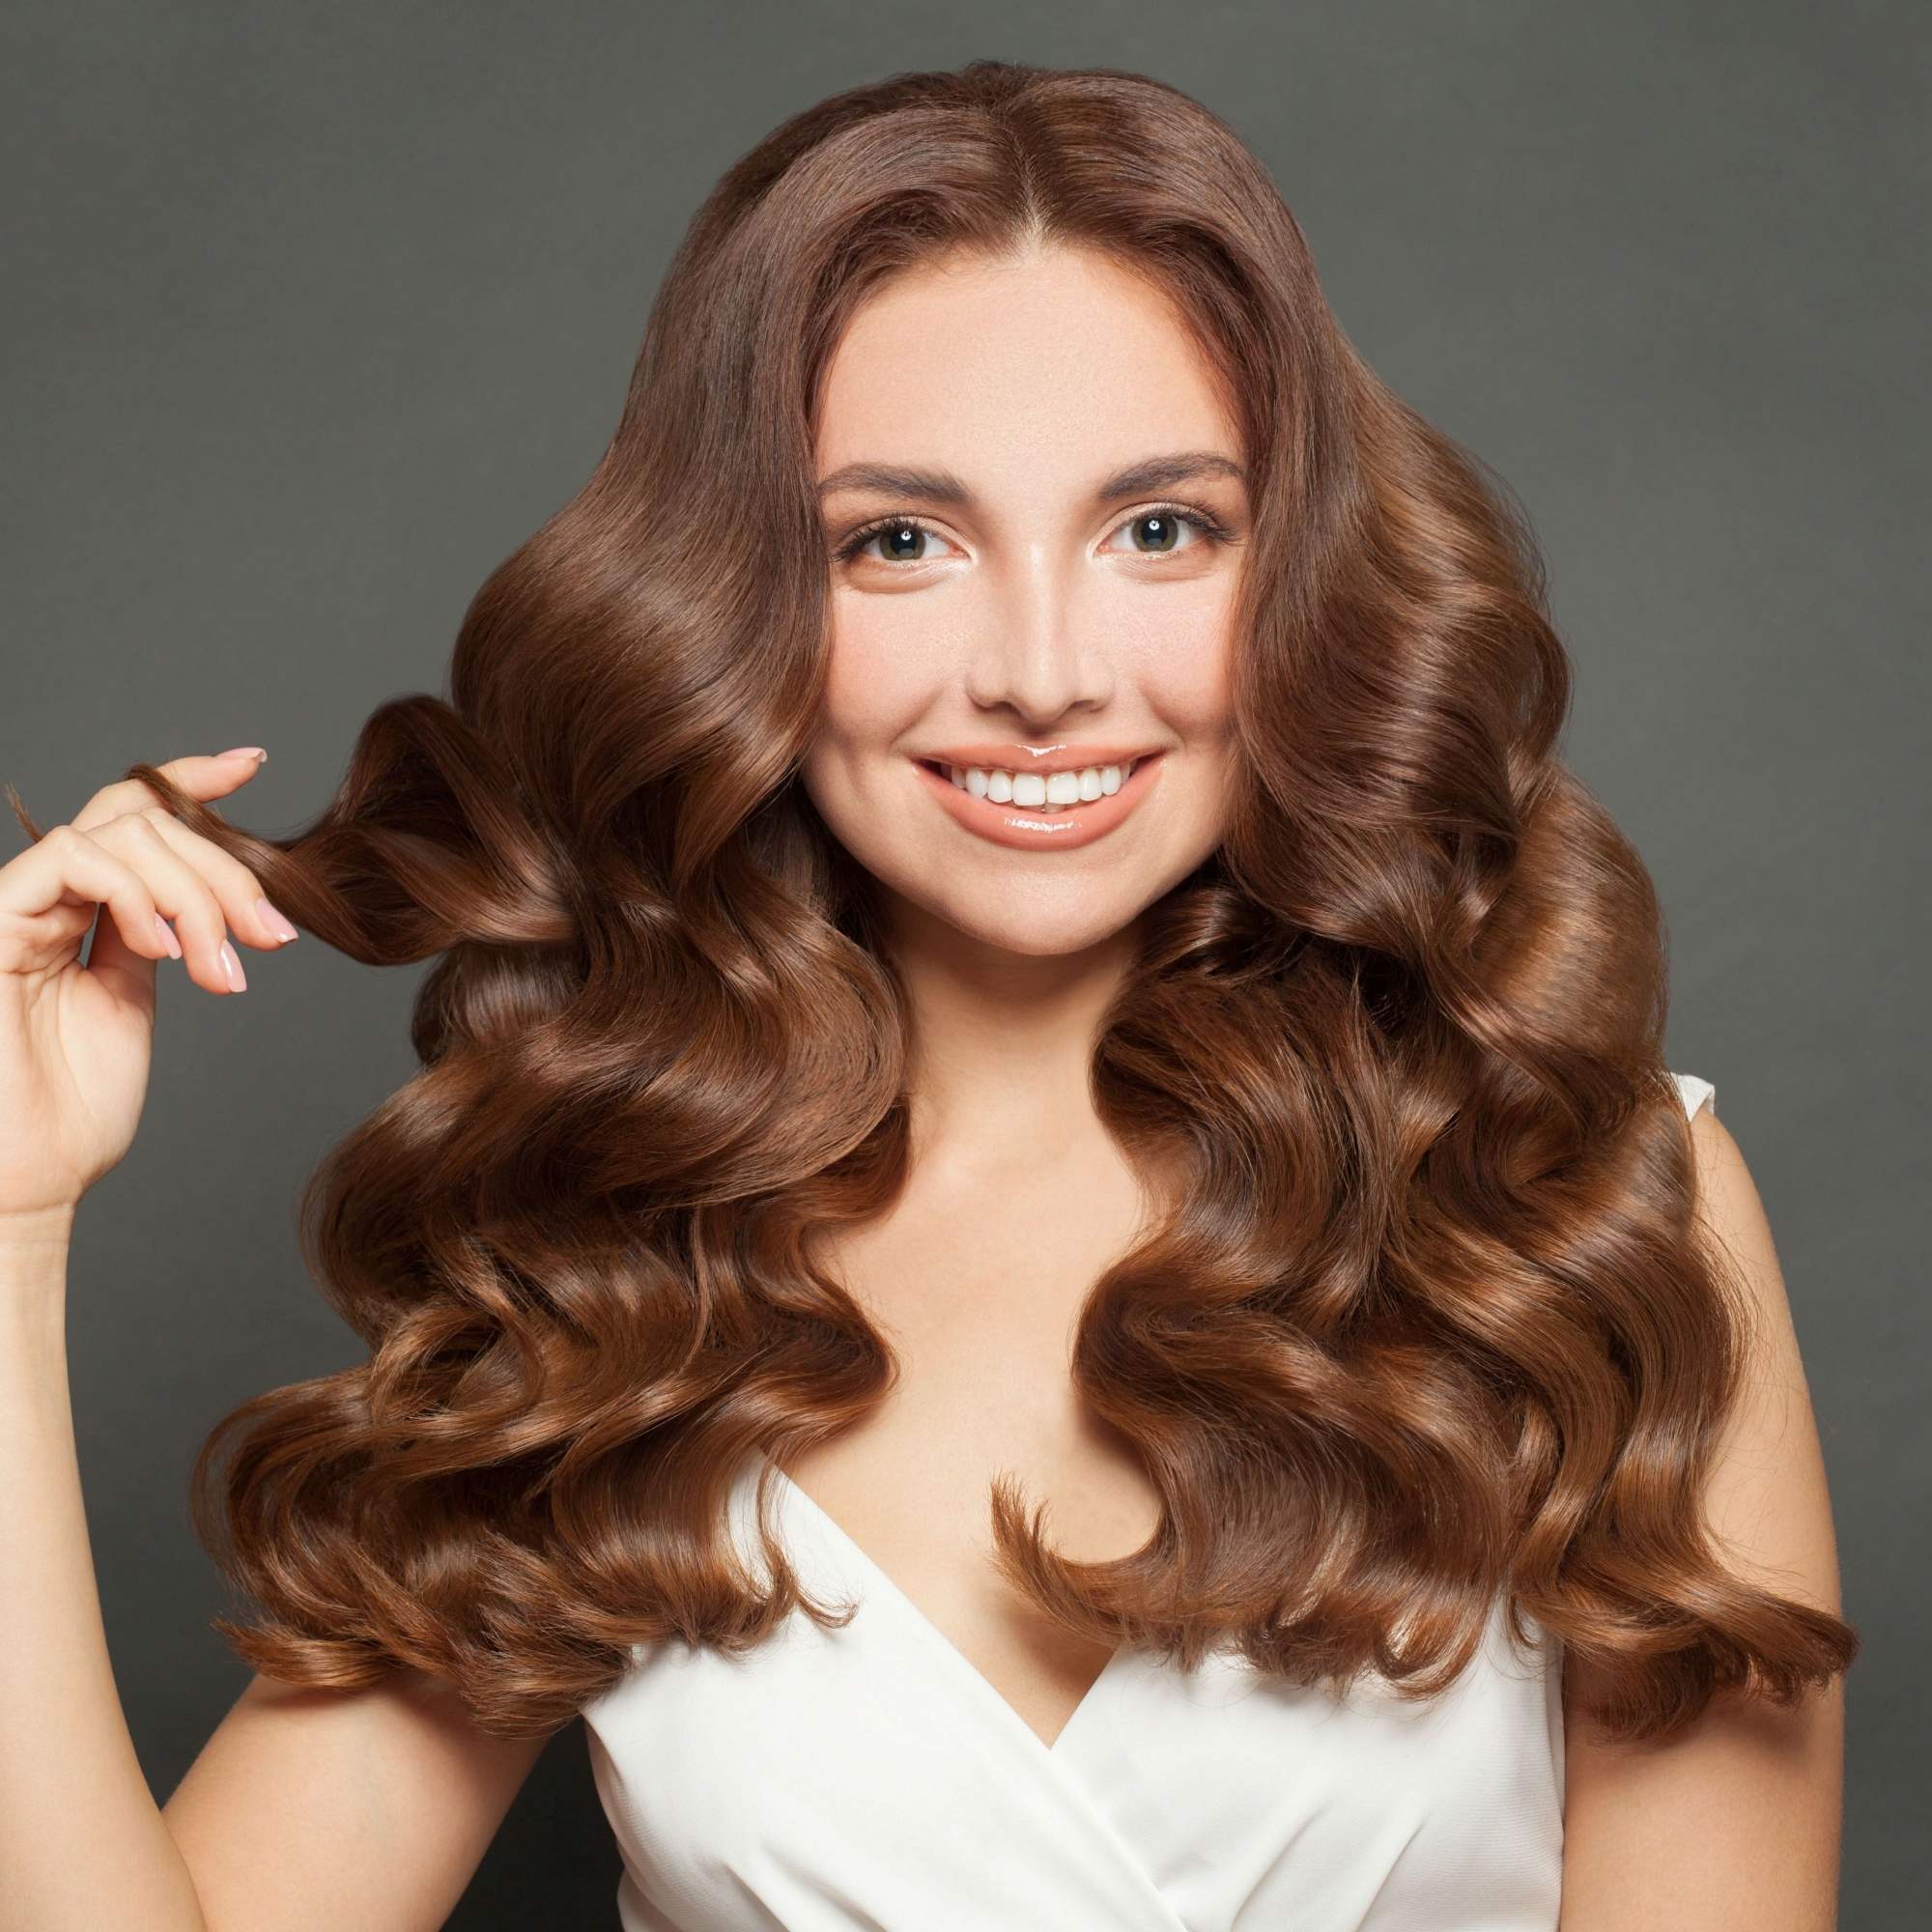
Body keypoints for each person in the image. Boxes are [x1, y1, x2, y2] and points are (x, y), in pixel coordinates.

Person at [0, 58, 1857, 1932]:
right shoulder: (604, 1261)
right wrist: (7, 1220)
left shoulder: (1573, 1202)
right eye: (899, 540)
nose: (1042, 673)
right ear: (738, 601)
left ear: (1292, 571)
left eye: (1158, 529)